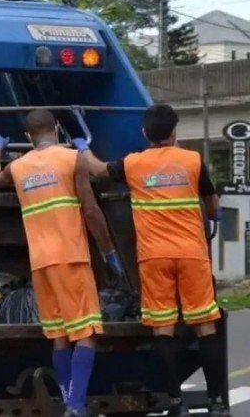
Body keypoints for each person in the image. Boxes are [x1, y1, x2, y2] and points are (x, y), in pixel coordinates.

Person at [75, 104, 228, 417]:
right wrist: (214, 212)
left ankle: (175, 403)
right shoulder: (193, 161)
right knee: (205, 326)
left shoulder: (133, 164)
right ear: (175, 132)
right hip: (191, 255)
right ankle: (217, 404)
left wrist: (82, 148)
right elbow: (212, 208)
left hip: (154, 257)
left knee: (163, 329)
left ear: (145, 133)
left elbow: (98, 169)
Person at [0, 109, 125, 417]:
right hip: (71, 258)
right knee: (86, 332)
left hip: (41, 264)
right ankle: (75, 407)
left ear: (27, 137)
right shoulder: (71, 158)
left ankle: (69, 402)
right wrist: (108, 253)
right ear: (58, 129)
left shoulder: (19, 167)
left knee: (60, 336)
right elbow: (90, 211)